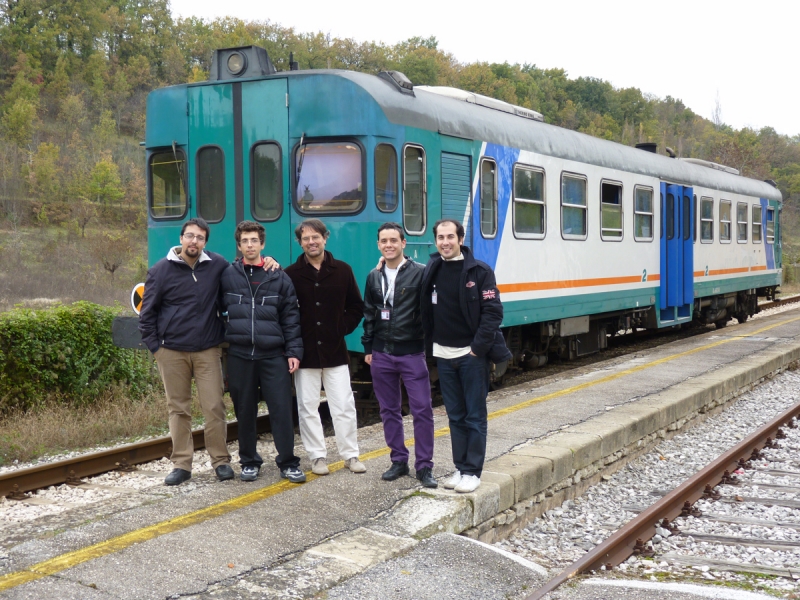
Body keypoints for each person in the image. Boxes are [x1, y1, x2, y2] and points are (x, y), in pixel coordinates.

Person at [139, 218, 234, 485]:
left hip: (207, 350)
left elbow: (241, 272)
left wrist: (269, 259)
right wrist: (156, 349)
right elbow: (147, 315)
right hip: (171, 352)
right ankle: (182, 464)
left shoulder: (216, 265)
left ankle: (221, 461)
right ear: (181, 238)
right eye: (190, 236)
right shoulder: (160, 270)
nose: (194, 241)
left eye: (200, 238)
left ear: (205, 242)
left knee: (214, 406)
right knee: (178, 409)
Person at [420, 219, 509, 493]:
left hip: (470, 356)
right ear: (435, 241)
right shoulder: (431, 269)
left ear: (460, 239)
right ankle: (460, 468)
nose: (445, 242)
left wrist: (476, 350)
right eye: (440, 237)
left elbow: (493, 313)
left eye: (450, 236)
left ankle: (473, 471)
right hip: (444, 356)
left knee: (474, 415)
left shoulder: (480, 272)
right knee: (455, 416)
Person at [219, 221, 305, 484]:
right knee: (244, 411)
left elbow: (291, 316)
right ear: (239, 245)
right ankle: (249, 462)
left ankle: (288, 463)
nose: (249, 245)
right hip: (240, 355)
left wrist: (293, 351)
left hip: (273, 355)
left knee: (281, 409)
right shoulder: (228, 275)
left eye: (254, 240)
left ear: (262, 244)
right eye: (244, 241)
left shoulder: (278, 276)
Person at [285, 219, 366, 475]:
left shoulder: (342, 270)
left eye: (315, 237)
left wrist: (341, 328)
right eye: (305, 238)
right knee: (307, 407)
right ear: (300, 242)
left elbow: (356, 307)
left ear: (325, 238)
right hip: (305, 353)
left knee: (343, 404)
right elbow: (285, 313)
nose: (311, 242)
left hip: (335, 352)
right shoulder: (290, 274)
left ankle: (351, 455)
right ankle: (317, 457)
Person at [362, 222, 437, 488]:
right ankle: (398, 460)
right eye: (384, 241)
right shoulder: (374, 276)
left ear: (404, 244)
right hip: (382, 354)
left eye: (394, 240)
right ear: (378, 245)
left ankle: (425, 466)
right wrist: (368, 348)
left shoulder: (421, 273)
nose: (389, 245)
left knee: (422, 410)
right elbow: (370, 313)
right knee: (389, 410)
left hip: (412, 352)